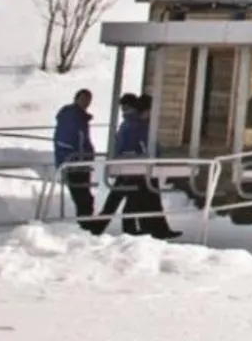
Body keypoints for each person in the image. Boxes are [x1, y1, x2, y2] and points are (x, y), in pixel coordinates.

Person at [98, 93, 179, 239]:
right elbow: (141, 146)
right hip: (134, 167)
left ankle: (147, 229)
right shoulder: (136, 125)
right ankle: (139, 229)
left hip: (135, 167)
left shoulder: (135, 124)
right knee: (132, 200)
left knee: (133, 200)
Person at [52, 89, 105, 235]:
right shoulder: (71, 116)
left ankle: (86, 225)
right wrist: (74, 157)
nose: (86, 102)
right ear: (76, 99)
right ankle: (86, 227)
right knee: (83, 197)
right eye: (83, 99)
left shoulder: (79, 117)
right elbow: (70, 140)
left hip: (80, 163)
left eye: (88, 100)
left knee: (85, 196)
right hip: (74, 163)